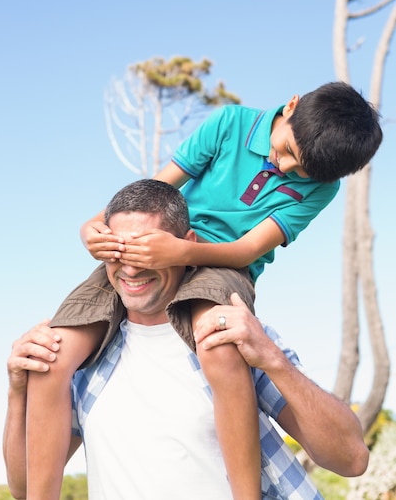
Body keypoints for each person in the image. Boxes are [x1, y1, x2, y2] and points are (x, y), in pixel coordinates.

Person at [25, 83, 382, 500]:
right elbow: (159, 185)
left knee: (219, 343)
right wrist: (94, 228)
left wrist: (181, 250)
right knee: (52, 355)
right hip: (165, 239)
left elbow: (247, 248)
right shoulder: (231, 124)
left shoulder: (323, 187)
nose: (284, 167)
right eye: (286, 150)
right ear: (290, 106)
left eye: (300, 169)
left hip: (224, 265)